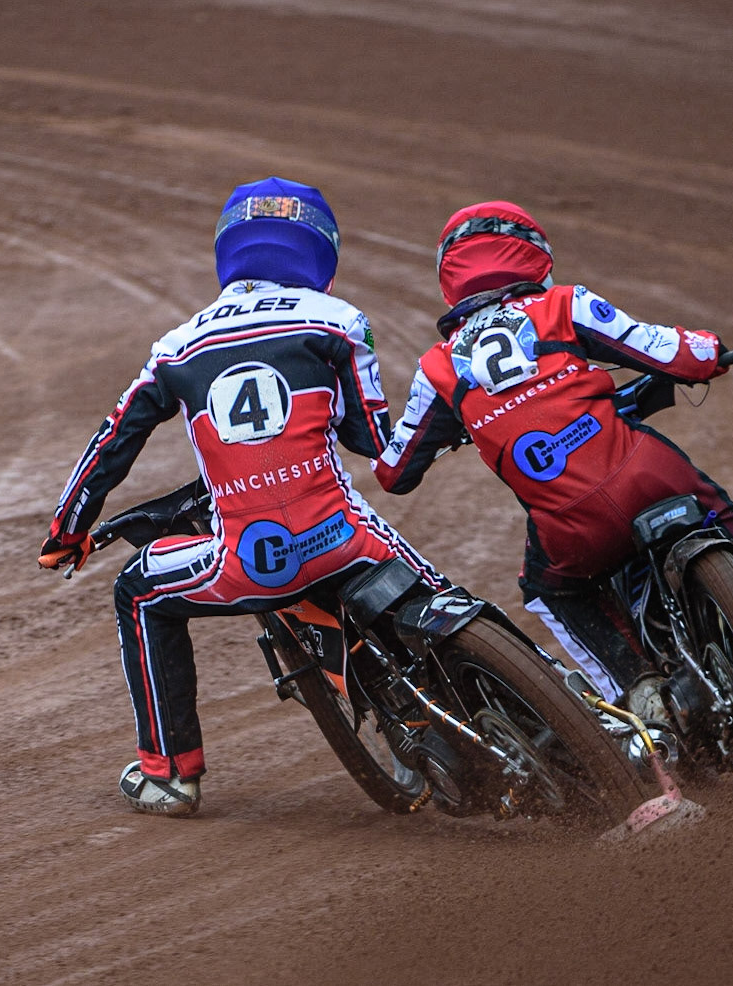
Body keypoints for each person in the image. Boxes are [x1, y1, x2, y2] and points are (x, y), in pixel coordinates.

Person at [373, 200, 733, 770]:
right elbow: (671, 351)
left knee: (549, 590)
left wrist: (465, 425)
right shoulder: (565, 305)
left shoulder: (438, 367)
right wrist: (710, 351)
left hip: (570, 528)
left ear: (450, 280)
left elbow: (394, 471)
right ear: (535, 258)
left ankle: (643, 715)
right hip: (647, 477)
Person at [38, 176, 443, 816]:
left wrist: (67, 533)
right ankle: (529, 698)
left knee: (137, 592)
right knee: (430, 584)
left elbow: (112, 442)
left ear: (227, 249)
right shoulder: (340, 321)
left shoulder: (175, 347)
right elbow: (369, 438)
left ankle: (171, 775)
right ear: (320, 251)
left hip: (244, 561)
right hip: (343, 538)